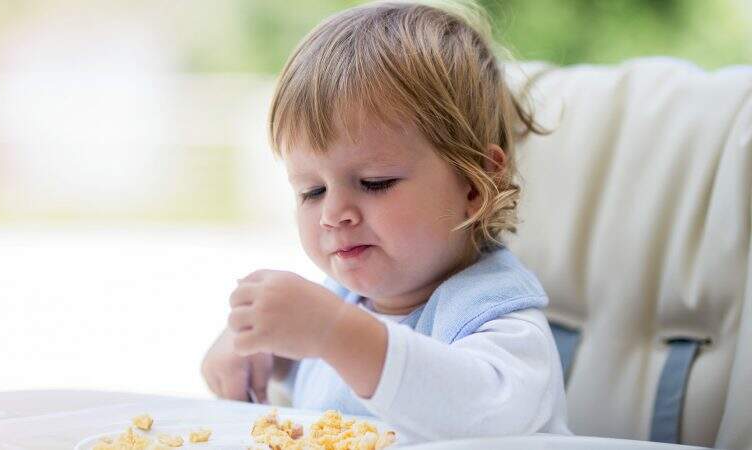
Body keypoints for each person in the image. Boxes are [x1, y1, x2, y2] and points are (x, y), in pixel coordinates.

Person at [202, 1, 570, 441]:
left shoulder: (498, 319)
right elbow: (312, 358)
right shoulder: (345, 301)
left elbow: (477, 411)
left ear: (474, 186)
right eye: (311, 192)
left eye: (375, 182)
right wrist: (253, 347)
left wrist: (334, 331)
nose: (335, 213)